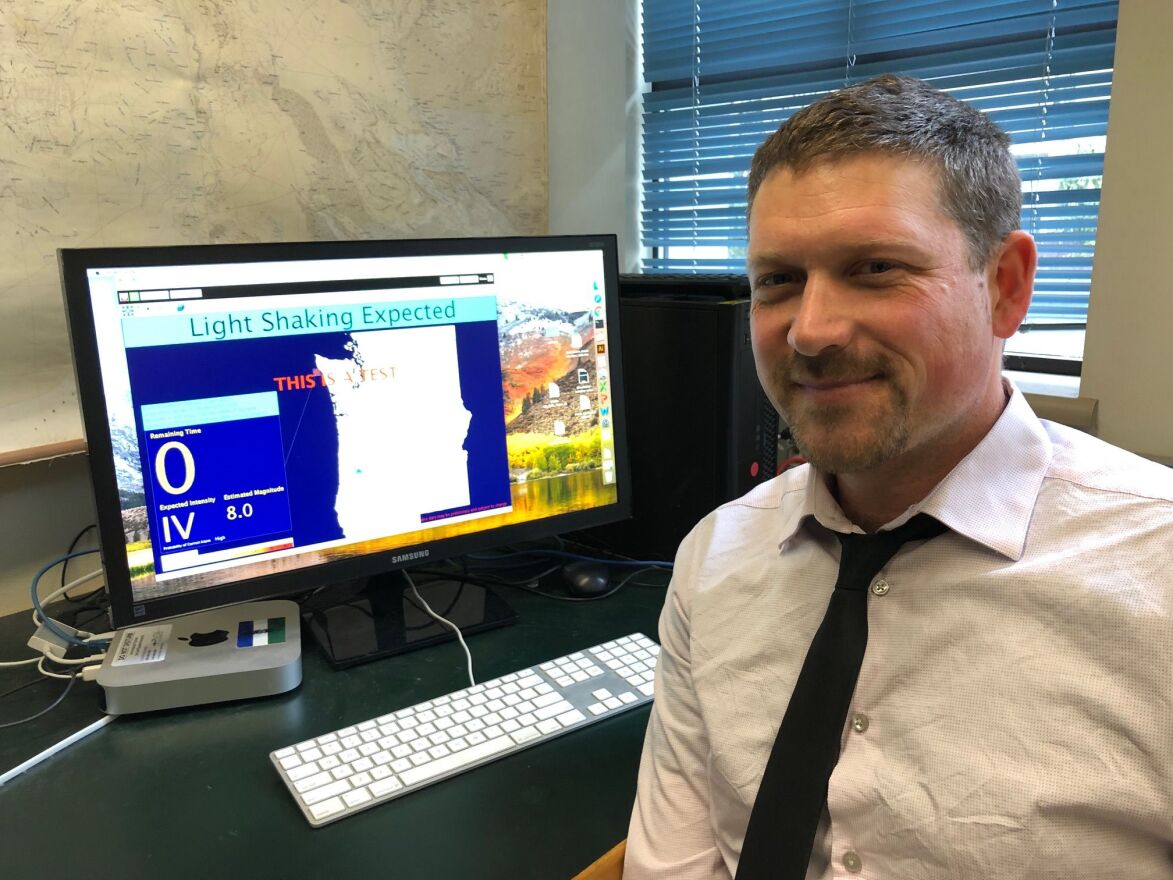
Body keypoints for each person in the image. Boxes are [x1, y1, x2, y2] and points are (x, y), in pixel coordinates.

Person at [623, 74, 1173, 879]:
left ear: (1005, 287)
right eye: (777, 280)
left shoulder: (1155, 574)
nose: (809, 332)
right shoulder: (716, 556)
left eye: (875, 267)